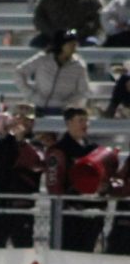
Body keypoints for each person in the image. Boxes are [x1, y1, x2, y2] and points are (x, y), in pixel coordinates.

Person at [0, 103, 47, 248]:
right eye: (19, 119)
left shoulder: (37, 144)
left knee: (23, 255)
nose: (22, 123)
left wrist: (21, 141)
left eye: (27, 119)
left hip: (22, 210)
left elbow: (35, 163)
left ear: (33, 122)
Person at [45, 105, 104, 251]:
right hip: (69, 216)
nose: (85, 125)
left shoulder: (94, 149)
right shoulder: (59, 150)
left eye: (86, 120)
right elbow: (54, 184)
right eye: (80, 120)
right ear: (69, 123)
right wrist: (66, 204)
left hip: (92, 214)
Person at [16, 29, 92, 117]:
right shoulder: (43, 59)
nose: (74, 47)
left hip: (63, 111)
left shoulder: (79, 65)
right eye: (70, 44)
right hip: (37, 107)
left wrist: (68, 103)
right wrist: (31, 95)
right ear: (61, 45)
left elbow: (83, 91)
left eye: (75, 44)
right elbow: (19, 72)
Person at [30, 0, 103, 47]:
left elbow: (95, 23)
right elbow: (39, 19)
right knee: (36, 43)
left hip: (82, 38)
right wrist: (55, 34)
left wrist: (73, 33)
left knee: (90, 45)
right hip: (52, 36)